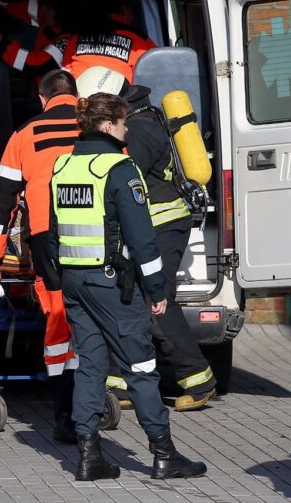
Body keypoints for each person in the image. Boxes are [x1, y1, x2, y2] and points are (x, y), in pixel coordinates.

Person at [50, 92, 207, 481]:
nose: (126, 130)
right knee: (141, 366)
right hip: (112, 284)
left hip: (74, 281)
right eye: (122, 124)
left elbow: (54, 231)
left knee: (90, 367)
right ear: (107, 126)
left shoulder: (63, 165)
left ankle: (89, 456)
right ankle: (164, 454)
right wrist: (156, 290)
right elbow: (142, 241)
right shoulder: (119, 169)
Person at [0, 70, 81, 443]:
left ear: (43, 99)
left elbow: (1, 204)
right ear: (75, 94)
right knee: (94, 321)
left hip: (48, 238)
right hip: (101, 238)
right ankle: (92, 403)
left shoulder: (25, 135)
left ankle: (65, 416)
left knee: (59, 320)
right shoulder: (99, 123)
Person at [76, 67, 217, 412]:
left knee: (159, 301)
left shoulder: (137, 130)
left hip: (162, 224)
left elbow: (121, 179)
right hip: (156, 224)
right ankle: (122, 385)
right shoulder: (141, 117)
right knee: (132, 300)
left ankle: (198, 379)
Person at [0, 0, 75, 81]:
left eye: (47, 7)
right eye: (42, 5)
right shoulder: (51, 23)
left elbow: (34, 65)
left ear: (62, 11)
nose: (42, 10)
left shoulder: (67, 41)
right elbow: (18, 1)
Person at [61, 0, 156, 83]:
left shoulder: (76, 36)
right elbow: (157, 68)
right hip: (118, 97)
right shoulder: (139, 39)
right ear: (124, 9)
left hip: (81, 96)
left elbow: (66, 69)